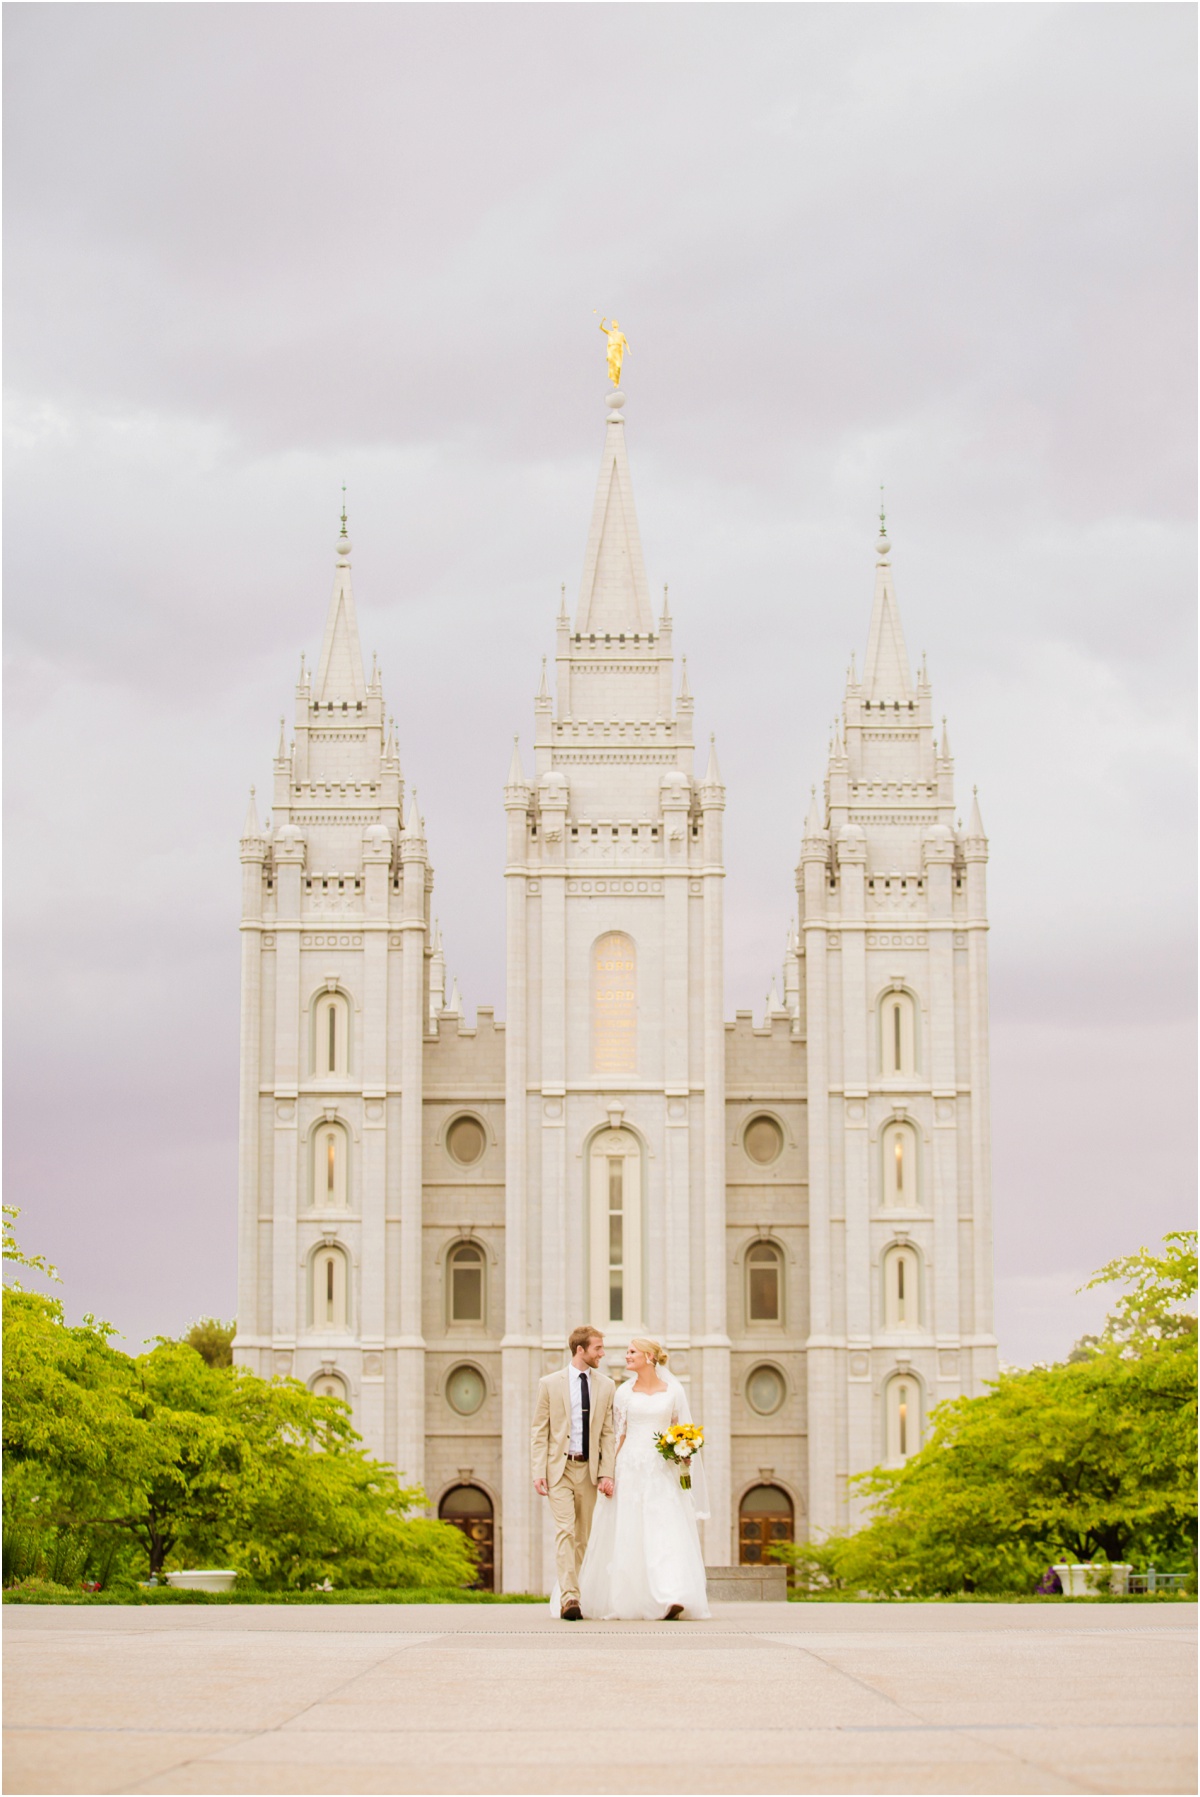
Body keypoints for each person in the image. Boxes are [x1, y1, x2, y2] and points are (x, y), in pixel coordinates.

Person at [577, 1336, 711, 1621]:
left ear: (649, 1356)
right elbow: (617, 1436)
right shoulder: (623, 1392)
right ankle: (632, 1598)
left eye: (632, 1351)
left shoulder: (674, 1392)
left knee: (665, 1531)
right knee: (630, 1532)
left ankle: (672, 1596)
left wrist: (684, 1452)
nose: (626, 1356)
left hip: (662, 1471)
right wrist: (607, 1474)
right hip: (630, 1468)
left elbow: (680, 1431)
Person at [530, 1325, 616, 1621]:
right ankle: (569, 1598)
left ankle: (577, 1590)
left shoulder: (606, 1385)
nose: (602, 1354)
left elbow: (608, 1432)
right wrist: (538, 1470)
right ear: (580, 1350)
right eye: (598, 1349)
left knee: (584, 1537)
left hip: (590, 1471)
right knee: (564, 1531)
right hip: (560, 1469)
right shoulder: (550, 1384)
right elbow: (539, 1431)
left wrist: (607, 1473)